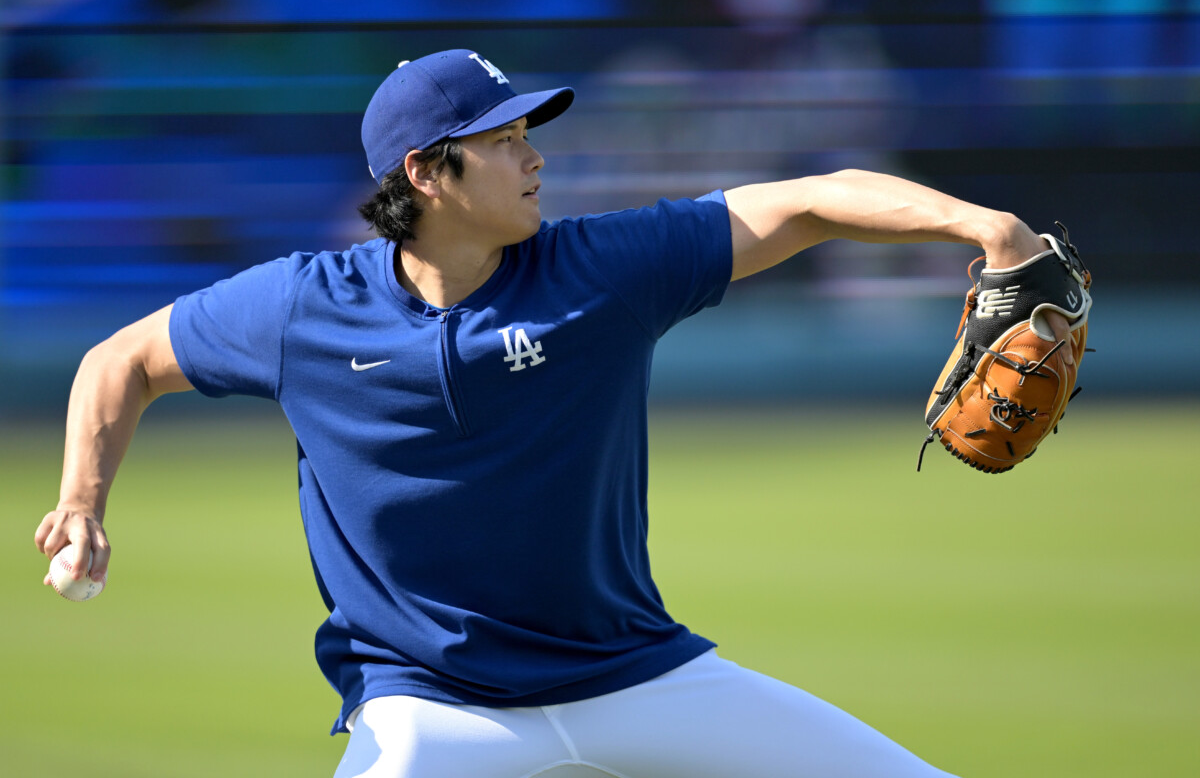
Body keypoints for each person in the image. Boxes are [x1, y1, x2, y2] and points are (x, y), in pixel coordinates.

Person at [35, 49, 1076, 778]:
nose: (535, 154)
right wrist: (83, 497)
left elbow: (804, 201)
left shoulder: (604, 267)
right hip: (425, 707)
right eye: (504, 137)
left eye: (531, 130)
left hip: (637, 674)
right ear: (426, 173)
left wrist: (986, 226)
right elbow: (119, 358)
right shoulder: (302, 306)